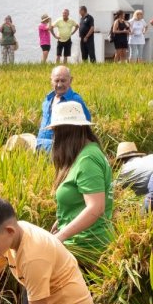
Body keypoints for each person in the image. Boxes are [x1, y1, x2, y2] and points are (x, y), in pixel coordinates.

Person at [45, 101, 114, 254]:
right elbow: (82, 200)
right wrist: (63, 221)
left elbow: (96, 207)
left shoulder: (87, 159)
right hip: (79, 241)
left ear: (65, 132)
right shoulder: (87, 153)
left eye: (56, 132)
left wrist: (60, 237)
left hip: (86, 246)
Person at [35, 66, 92, 152]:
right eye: (56, 81)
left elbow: (85, 125)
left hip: (60, 149)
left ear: (70, 80)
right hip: (40, 147)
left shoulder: (75, 100)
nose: (59, 84)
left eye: (63, 81)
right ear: (51, 80)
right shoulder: (48, 99)